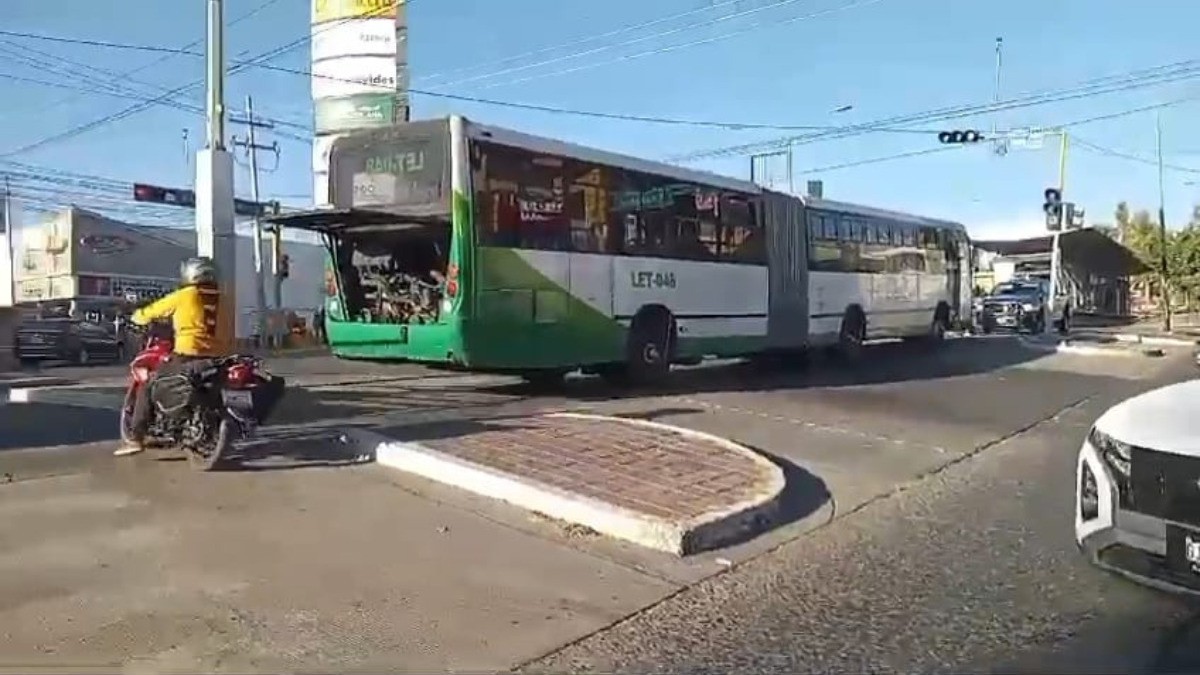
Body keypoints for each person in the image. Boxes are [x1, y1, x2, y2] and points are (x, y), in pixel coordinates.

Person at [116, 256, 232, 457]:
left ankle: (135, 438)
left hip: (189, 353)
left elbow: (149, 313)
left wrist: (135, 317)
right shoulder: (226, 299)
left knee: (148, 384)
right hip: (219, 356)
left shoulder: (184, 295)